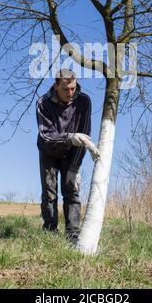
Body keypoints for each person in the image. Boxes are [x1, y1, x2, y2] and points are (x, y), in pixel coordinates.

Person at [36, 69, 99, 244]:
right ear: (56, 86)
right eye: (66, 89)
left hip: (73, 152)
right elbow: (46, 135)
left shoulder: (84, 101)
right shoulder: (43, 103)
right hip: (49, 150)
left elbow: (84, 133)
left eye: (73, 88)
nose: (71, 93)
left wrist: (75, 167)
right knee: (49, 192)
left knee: (71, 191)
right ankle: (50, 233)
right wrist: (70, 137)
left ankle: (72, 237)